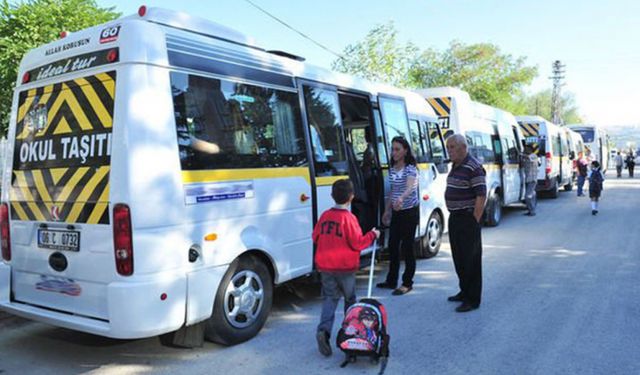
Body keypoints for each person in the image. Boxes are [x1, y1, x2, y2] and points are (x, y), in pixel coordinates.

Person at [313, 179, 380, 357]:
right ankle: (350, 333)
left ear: (332, 196)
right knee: (350, 300)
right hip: (345, 268)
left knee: (329, 299)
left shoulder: (325, 216)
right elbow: (358, 243)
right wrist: (373, 234)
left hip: (326, 266)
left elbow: (315, 237)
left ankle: (324, 331)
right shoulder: (350, 219)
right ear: (351, 197)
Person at [444, 134, 486, 313]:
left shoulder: (473, 167)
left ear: (463, 147)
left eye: (452, 147)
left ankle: (472, 299)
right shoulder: (456, 165)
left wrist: (473, 221)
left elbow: (481, 195)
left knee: (471, 260)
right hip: (455, 218)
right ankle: (464, 291)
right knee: (459, 258)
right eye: (448, 147)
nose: (449, 151)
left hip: (467, 218)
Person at [375, 136, 420, 296]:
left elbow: (410, 187)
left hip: (409, 211)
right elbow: (393, 190)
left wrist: (402, 198)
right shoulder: (393, 168)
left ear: (405, 151)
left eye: (397, 149)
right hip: (396, 211)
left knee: (407, 247)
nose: (394, 152)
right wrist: (387, 210)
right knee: (393, 246)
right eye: (392, 149)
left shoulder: (410, 168)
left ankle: (407, 283)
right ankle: (391, 280)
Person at [521, 145, 540, 216]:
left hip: (532, 180)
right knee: (531, 195)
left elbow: (528, 157)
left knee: (527, 196)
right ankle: (530, 210)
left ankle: (532, 211)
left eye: (526, 149)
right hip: (527, 179)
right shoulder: (527, 157)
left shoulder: (534, 156)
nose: (524, 150)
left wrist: (521, 154)